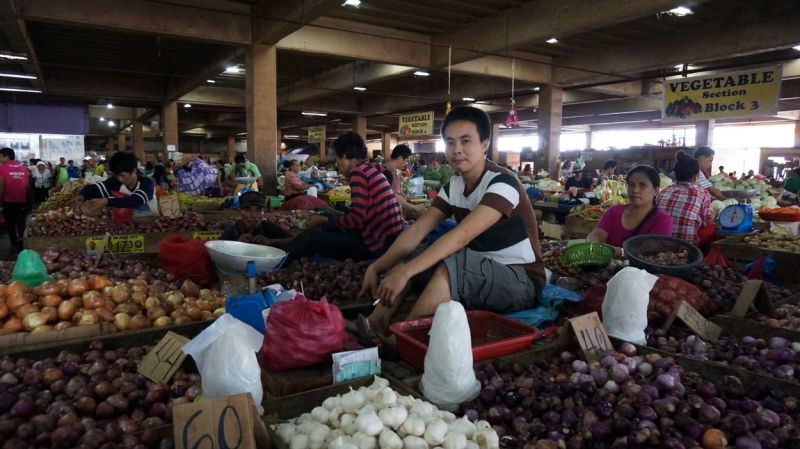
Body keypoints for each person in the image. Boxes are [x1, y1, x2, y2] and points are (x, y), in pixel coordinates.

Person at [356, 106, 546, 345]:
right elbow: (416, 231)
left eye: (466, 141)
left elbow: (462, 237)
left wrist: (406, 272)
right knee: (419, 252)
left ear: (485, 144)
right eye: (450, 142)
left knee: (451, 260)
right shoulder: (454, 187)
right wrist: (377, 268)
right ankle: (376, 323)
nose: (457, 149)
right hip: (479, 270)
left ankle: (401, 341)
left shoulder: (503, 182)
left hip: (520, 280)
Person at [280, 132, 406, 265]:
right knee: (340, 209)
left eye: (337, 159)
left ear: (345, 157)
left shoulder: (358, 172)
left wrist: (324, 220)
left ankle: (276, 263)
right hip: (391, 239)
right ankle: (285, 243)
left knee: (312, 237)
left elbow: (357, 220)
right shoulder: (370, 168)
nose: (337, 164)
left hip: (377, 245)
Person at [587, 165, 673, 257]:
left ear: (655, 191)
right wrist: (592, 245)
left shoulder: (662, 220)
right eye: (631, 185)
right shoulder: (614, 211)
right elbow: (597, 234)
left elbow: (647, 252)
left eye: (642, 185)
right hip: (610, 269)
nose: (635, 190)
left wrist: (615, 251)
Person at [73, 151, 159, 217]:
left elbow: (136, 201)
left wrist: (106, 201)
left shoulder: (146, 183)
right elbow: (94, 189)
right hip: (127, 226)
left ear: (133, 171)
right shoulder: (115, 182)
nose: (119, 179)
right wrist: (82, 195)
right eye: (117, 176)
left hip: (149, 223)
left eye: (122, 175)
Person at [657, 151, 715, 247]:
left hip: (661, 243)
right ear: (696, 176)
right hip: (686, 248)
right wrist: (714, 214)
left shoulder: (665, 190)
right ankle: (702, 256)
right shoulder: (703, 193)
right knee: (710, 229)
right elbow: (706, 221)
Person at [220, 191, 293, 245]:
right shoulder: (233, 231)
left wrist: (271, 241)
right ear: (240, 212)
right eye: (248, 210)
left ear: (264, 212)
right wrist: (237, 244)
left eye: (258, 210)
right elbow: (217, 248)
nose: (253, 215)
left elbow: (296, 240)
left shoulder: (269, 228)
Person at [0, 148, 30, 252]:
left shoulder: (2, 168)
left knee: (10, 224)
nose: (0, 159)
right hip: (21, 201)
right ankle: (23, 244)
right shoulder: (23, 169)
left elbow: (1, 186)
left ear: (6, 157)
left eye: (0, 156)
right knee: (21, 223)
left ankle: (14, 244)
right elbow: (26, 186)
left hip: (8, 201)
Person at [385, 144, 425, 214]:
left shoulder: (387, 167)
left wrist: (408, 198)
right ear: (400, 158)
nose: (406, 163)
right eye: (406, 161)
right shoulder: (392, 171)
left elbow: (391, 195)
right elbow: (395, 197)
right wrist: (414, 207)